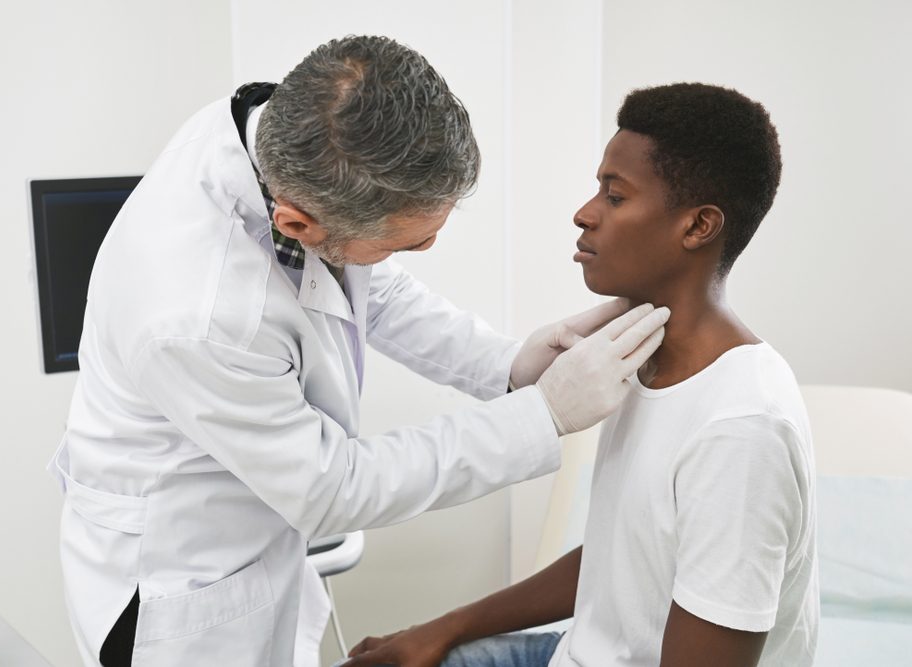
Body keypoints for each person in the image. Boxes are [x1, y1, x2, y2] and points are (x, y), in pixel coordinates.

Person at [49, 35, 670, 667]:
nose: (424, 251)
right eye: (408, 243)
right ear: (299, 225)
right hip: (177, 595)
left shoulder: (274, 134)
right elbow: (331, 490)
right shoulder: (197, 316)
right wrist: (545, 416)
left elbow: (366, 286)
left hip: (253, 536)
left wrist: (508, 366)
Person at [344, 82, 819, 667]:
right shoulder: (642, 361)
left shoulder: (741, 429)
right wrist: (438, 630)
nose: (585, 213)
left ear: (698, 227)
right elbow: (625, 557)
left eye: (614, 197)